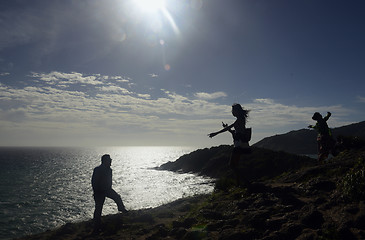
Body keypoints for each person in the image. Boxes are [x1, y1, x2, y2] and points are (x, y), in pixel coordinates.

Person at [208, 103, 252, 186]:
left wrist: (216, 133)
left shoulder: (240, 119)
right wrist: (226, 128)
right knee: (235, 165)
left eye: (233, 110)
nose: (232, 112)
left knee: (232, 165)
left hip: (239, 144)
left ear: (237, 111)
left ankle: (245, 183)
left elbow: (231, 128)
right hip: (240, 144)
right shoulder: (240, 119)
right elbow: (234, 131)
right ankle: (240, 183)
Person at [91, 154, 128, 233]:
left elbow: (109, 181)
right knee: (98, 209)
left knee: (117, 197)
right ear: (105, 161)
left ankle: (121, 209)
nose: (111, 160)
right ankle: (96, 227)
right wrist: (96, 192)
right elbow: (94, 181)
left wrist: (109, 188)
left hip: (107, 189)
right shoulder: (97, 169)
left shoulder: (109, 170)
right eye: (109, 159)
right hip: (99, 192)